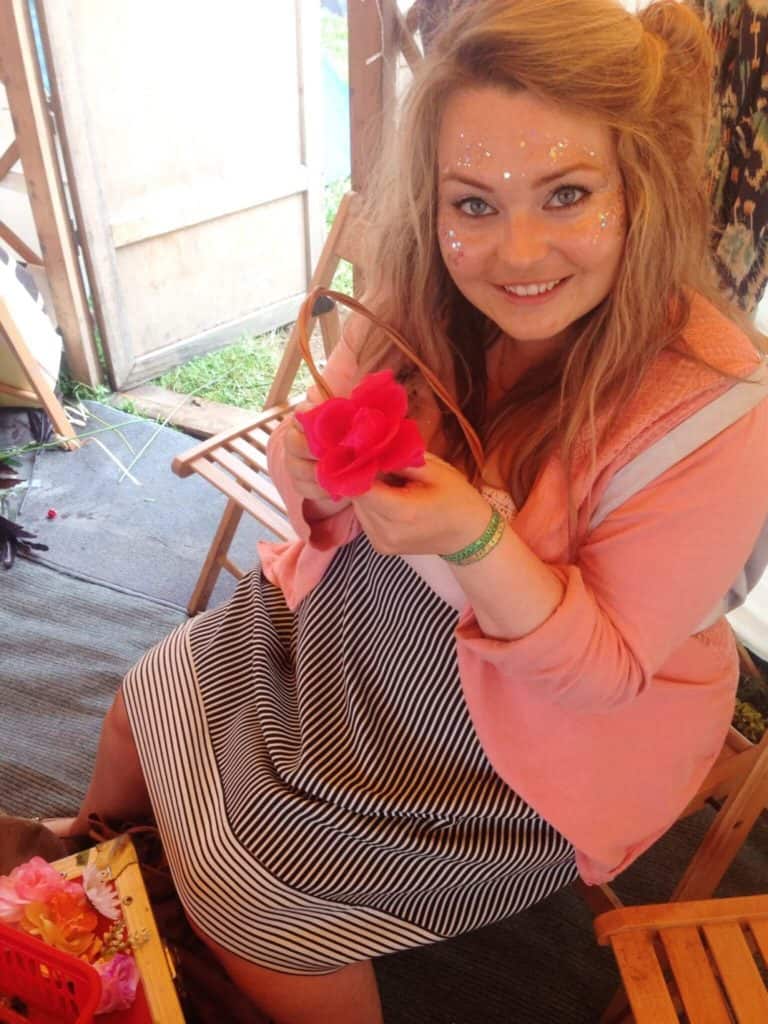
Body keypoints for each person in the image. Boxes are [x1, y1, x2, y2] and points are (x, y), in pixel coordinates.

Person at [51, 1, 768, 1021]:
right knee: (145, 698)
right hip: (351, 628)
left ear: (640, 189)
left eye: (566, 194)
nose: (517, 252)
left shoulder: (711, 402)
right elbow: (322, 510)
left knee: (259, 900)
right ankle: (85, 886)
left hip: (524, 743)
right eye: (472, 202)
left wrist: (475, 540)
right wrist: (309, 464)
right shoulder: (422, 295)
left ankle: (220, 916)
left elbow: (607, 675)